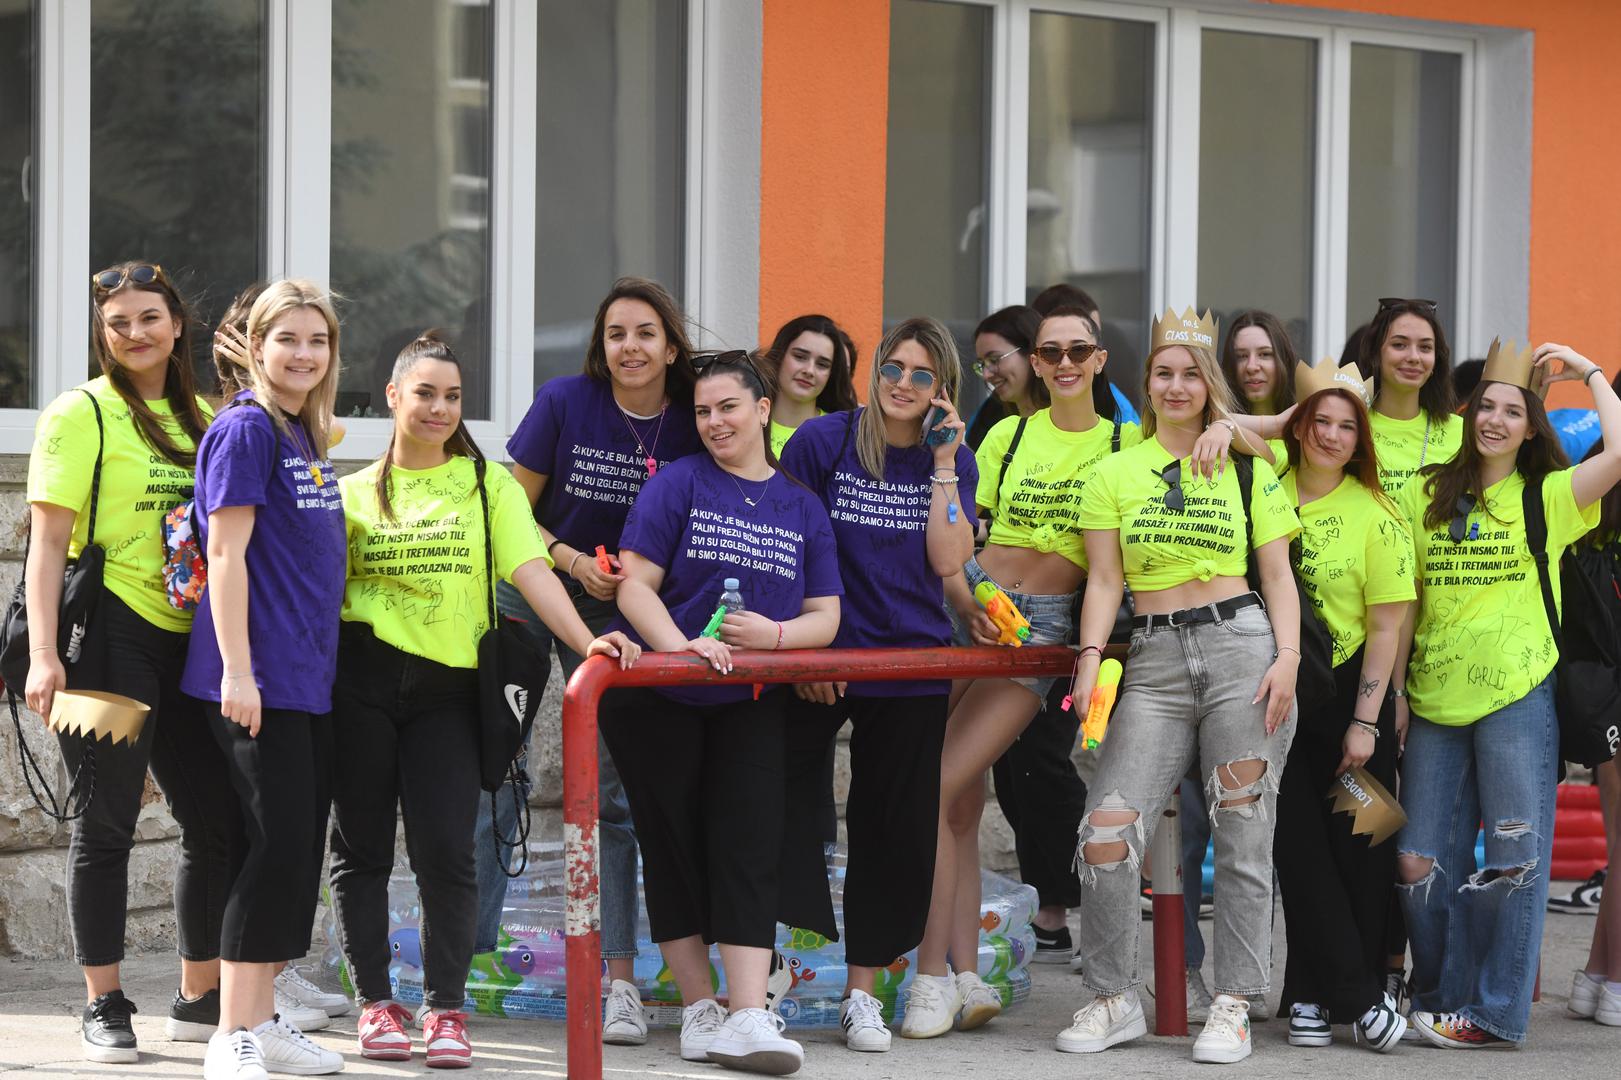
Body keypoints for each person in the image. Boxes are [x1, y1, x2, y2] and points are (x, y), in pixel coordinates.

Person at [327, 332, 639, 1068]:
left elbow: (533, 573)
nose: (439, 407)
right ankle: (376, 1005)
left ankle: (443, 1011)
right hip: (361, 685)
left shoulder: (486, 485)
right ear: (392, 397)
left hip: (449, 693)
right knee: (361, 850)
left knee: (448, 852)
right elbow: (320, 597)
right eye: (425, 393)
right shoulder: (348, 494)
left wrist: (583, 641)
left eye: (453, 396)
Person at [1059, 307, 1301, 1064]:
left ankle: (1231, 1002)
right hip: (1155, 662)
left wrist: (1288, 655)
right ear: (1145, 384)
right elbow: (1103, 579)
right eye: (1162, 372)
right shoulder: (1111, 473)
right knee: (1105, 830)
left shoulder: (1245, 466)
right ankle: (1110, 997)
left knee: (1242, 830)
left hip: (1241, 650)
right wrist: (1092, 653)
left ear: (1208, 386)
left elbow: (1276, 576)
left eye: (1189, 373)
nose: (1174, 384)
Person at [600, 350, 842, 1075]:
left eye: (727, 407)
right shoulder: (677, 483)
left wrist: (770, 637)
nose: (714, 423)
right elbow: (634, 586)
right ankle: (701, 1010)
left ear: (762, 409)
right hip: (661, 700)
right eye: (703, 412)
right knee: (670, 850)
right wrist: (681, 649)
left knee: (747, 846)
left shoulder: (801, 504)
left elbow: (824, 615)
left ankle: (747, 1015)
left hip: (750, 702)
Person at [904, 306, 1141, 1040]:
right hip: (968, 603)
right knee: (960, 802)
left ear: (1099, 359)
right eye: (1049, 352)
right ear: (1033, 362)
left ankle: (930, 976)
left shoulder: (1127, 441)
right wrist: (964, 589)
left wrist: (1230, 427)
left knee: (937, 782)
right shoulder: (1005, 433)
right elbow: (956, 536)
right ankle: (962, 973)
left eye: (1077, 350)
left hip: (1042, 629)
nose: (1063, 362)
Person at [23, 261, 234, 1065]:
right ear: (102, 335)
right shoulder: (81, 413)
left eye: (150, 318)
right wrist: (45, 657)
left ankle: (198, 993)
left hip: (195, 642)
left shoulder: (209, 418)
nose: (136, 333)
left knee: (215, 821)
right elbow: (46, 545)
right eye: (119, 323)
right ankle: (103, 1002)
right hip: (107, 641)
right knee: (107, 823)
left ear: (178, 325)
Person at [486, 277, 704, 1045]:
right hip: (536, 588)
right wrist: (575, 562)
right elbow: (510, 511)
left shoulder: (689, 420)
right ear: (600, 344)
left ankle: (618, 981)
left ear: (670, 346)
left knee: (614, 797)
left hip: (626, 614)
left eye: (645, 333)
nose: (630, 347)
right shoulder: (563, 402)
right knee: (492, 772)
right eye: (616, 333)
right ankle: (465, 963)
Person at [1393, 340, 1621, 1049]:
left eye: (1510, 411)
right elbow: (1401, 603)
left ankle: (1491, 1015)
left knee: (1511, 865)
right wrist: (1394, 694)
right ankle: (1438, 994)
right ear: (1467, 415)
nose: (1493, 420)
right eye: (1484, 406)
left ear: (1529, 427)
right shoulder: (1423, 491)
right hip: (1431, 702)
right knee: (1418, 862)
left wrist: (1584, 371)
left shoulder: (1547, 496)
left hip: (1518, 702)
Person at [776, 317, 977, 1052]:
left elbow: (949, 561)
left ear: (942, 389)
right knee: (775, 809)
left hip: (909, 666)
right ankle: (765, 982)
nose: (903, 384)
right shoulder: (823, 441)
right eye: (894, 367)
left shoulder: (949, 455)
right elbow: (785, 541)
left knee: (891, 832)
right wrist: (807, 652)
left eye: (922, 375)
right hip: (821, 659)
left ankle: (861, 993)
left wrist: (947, 461)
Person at [181, 279, 348, 1080]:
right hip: (257, 678)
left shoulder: (302, 435)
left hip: (306, 680)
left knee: (292, 850)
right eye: (288, 339)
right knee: (271, 846)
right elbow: (224, 555)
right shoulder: (247, 429)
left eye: (318, 341)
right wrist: (239, 672)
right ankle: (232, 1033)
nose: (304, 354)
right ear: (255, 344)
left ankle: (265, 1018)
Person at [1270, 361, 1414, 1051]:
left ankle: (1328, 993)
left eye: (1344, 425)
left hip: (1353, 696)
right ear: (1297, 426)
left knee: (1359, 850)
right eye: (1317, 420)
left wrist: (1365, 721)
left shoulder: (1378, 516)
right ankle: (1324, 993)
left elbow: (1387, 626)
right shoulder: (1261, 487)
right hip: (1275, 694)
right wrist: (1278, 422)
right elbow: (1222, 429)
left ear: (1361, 440)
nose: (1330, 435)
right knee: (1294, 849)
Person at [1356, 299, 1462, 496]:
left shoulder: (1462, 433)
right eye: (1399, 345)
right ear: (1375, 354)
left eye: (1425, 348)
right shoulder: (1349, 426)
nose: (1414, 357)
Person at [758, 314, 858, 455]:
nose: (809, 371)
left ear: (832, 374)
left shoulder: (842, 433)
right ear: (779, 356)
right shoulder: (748, 422)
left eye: (822, 364)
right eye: (799, 357)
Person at [963, 305, 1048, 449]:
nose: (986, 375)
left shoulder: (1070, 421)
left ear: (1032, 353)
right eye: (982, 364)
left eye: (995, 359)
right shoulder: (989, 419)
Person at [1219, 311, 1299, 465]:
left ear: (1284, 359)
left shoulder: (1305, 423)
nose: (1251, 367)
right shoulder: (1214, 422)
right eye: (1241, 356)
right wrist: (1278, 423)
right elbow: (1213, 419)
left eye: (1264, 354)